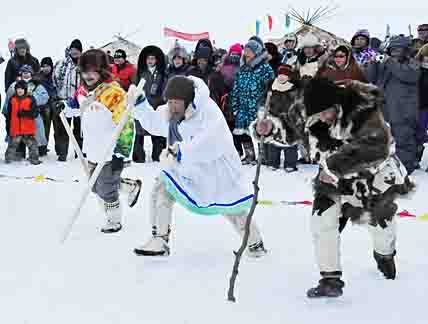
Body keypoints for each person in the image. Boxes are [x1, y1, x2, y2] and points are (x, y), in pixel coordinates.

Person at [256, 78, 408, 297]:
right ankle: (330, 280)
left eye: (327, 112)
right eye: (318, 115)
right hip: (331, 179)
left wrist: (334, 168)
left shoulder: (363, 111)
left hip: (373, 179)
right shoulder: (306, 108)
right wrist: (270, 128)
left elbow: (376, 149)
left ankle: (384, 254)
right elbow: (290, 130)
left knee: (381, 227)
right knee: (322, 221)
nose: (324, 118)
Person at [130, 75, 267, 257]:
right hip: (188, 168)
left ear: (188, 101)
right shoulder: (172, 113)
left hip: (216, 170)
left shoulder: (208, 111)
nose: (172, 106)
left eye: (176, 103)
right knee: (162, 187)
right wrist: (140, 104)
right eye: (169, 102)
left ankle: (255, 243)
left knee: (230, 207)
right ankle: (159, 239)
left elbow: (212, 142)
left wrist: (181, 152)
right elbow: (155, 123)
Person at [65, 49, 141, 233]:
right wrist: (66, 106)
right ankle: (130, 186)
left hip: (110, 149)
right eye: (84, 71)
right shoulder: (82, 90)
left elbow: (126, 125)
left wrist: (120, 154)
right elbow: (76, 105)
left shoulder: (113, 93)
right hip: (92, 147)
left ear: (102, 70)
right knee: (94, 185)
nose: (87, 75)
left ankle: (114, 220)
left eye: (92, 70)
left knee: (106, 188)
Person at [367, 35, 420, 175]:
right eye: (393, 49)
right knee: (384, 139)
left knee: (404, 139)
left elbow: (407, 75)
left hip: (404, 109)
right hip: (385, 109)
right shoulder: (384, 63)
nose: (395, 52)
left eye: (399, 49)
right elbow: (370, 78)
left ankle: (405, 168)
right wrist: (373, 63)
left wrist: (389, 61)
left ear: (406, 51)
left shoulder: (412, 64)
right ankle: (386, 167)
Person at [231, 37, 274, 165]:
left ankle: (264, 157)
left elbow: (271, 89)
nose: (247, 54)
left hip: (259, 108)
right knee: (243, 132)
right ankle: (249, 154)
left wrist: (267, 107)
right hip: (243, 107)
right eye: (246, 51)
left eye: (250, 51)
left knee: (262, 133)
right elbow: (236, 89)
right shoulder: (242, 69)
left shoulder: (265, 69)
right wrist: (235, 107)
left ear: (256, 53)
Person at [252, 64, 300, 172]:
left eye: (285, 75)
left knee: (290, 143)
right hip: (274, 118)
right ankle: (273, 162)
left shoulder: (293, 88)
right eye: (280, 74)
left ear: (289, 77)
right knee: (273, 141)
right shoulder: (272, 87)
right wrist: (263, 107)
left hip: (289, 121)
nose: (282, 77)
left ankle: (290, 163)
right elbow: (263, 100)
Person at [3, 65, 49, 158]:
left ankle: (35, 154)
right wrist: (6, 112)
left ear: (31, 73)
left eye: (28, 72)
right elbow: (8, 99)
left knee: (33, 137)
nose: (26, 74)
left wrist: (32, 100)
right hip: (17, 116)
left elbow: (45, 97)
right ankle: (17, 154)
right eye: (24, 72)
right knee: (16, 136)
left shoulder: (36, 84)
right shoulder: (14, 85)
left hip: (31, 116)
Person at [133, 45, 168, 163]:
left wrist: (162, 101)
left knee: (157, 131)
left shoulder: (162, 73)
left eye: (152, 59)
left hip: (156, 106)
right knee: (139, 131)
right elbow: (134, 87)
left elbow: (165, 88)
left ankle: (158, 156)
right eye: (148, 59)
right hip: (142, 106)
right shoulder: (140, 72)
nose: (150, 61)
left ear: (156, 60)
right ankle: (138, 157)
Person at [53, 39, 84, 161]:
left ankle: (80, 153)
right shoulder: (61, 64)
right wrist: (58, 95)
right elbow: (54, 79)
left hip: (80, 102)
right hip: (64, 101)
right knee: (62, 130)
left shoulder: (85, 65)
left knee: (80, 129)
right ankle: (62, 154)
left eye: (77, 50)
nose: (74, 52)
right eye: (72, 49)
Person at [5, 80, 41, 165]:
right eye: (18, 89)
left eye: (21, 89)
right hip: (15, 128)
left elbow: (35, 113)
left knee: (33, 146)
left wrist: (25, 113)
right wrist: (8, 126)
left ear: (25, 89)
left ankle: (34, 159)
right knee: (12, 145)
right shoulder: (12, 99)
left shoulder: (31, 99)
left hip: (28, 128)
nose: (19, 90)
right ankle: (8, 160)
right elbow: (9, 114)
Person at [36, 57, 57, 156]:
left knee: (57, 128)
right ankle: (42, 148)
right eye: (43, 66)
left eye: (48, 66)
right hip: (44, 106)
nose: (46, 68)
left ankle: (56, 149)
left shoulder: (55, 76)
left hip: (54, 103)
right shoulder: (38, 77)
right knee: (44, 127)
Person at [416, 44, 428, 168]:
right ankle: (416, 158)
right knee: (420, 133)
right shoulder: (416, 70)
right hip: (421, 106)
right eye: (426, 56)